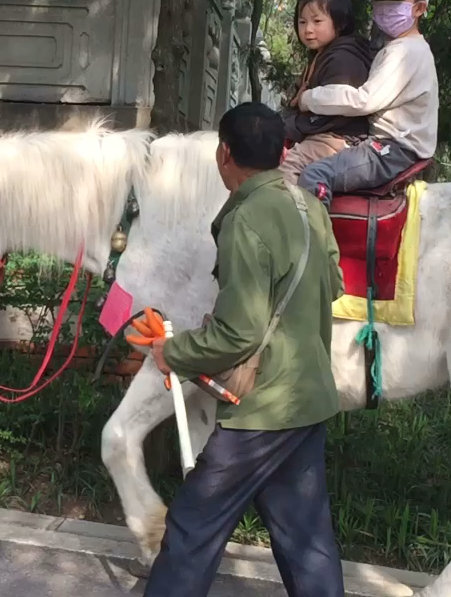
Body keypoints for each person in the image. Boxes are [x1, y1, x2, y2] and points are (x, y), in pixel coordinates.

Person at [142, 101, 346, 597]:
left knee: (193, 526)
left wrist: (174, 352)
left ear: (224, 153)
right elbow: (334, 284)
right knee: (306, 539)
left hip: (262, 410)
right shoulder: (311, 207)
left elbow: (239, 334)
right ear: (281, 153)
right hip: (308, 396)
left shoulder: (246, 219)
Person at [296, 0, 438, 206]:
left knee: (314, 175)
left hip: (391, 152)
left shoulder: (407, 52)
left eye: (394, 2)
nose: (383, 9)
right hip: (384, 146)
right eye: (378, 2)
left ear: (419, 9)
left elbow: (363, 100)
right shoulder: (399, 47)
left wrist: (310, 98)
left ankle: (316, 243)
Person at [278, 0, 380, 184]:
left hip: (338, 139)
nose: (308, 29)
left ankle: (293, 219)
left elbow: (332, 115)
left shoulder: (345, 58)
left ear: (340, 23)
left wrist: (291, 126)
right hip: (324, 136)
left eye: (317, 21)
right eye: (302, 21)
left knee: (288, 167)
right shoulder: (322, 54)